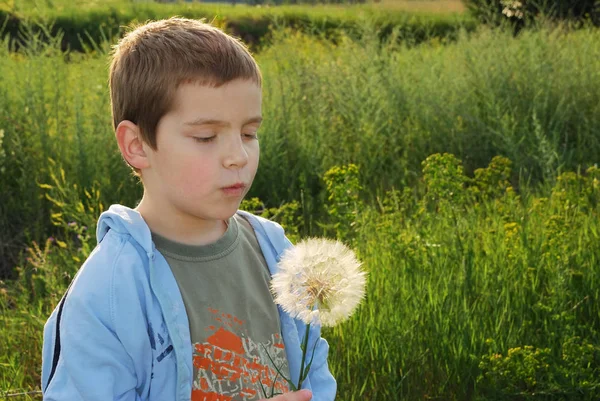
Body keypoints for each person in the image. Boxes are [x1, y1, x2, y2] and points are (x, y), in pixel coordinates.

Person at [41, 17, 336, 401]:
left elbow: (315, 372)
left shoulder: (274, 249)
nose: (238, 156)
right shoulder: (108, 290)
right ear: (137, 145)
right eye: (206, 137)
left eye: (249, 133)